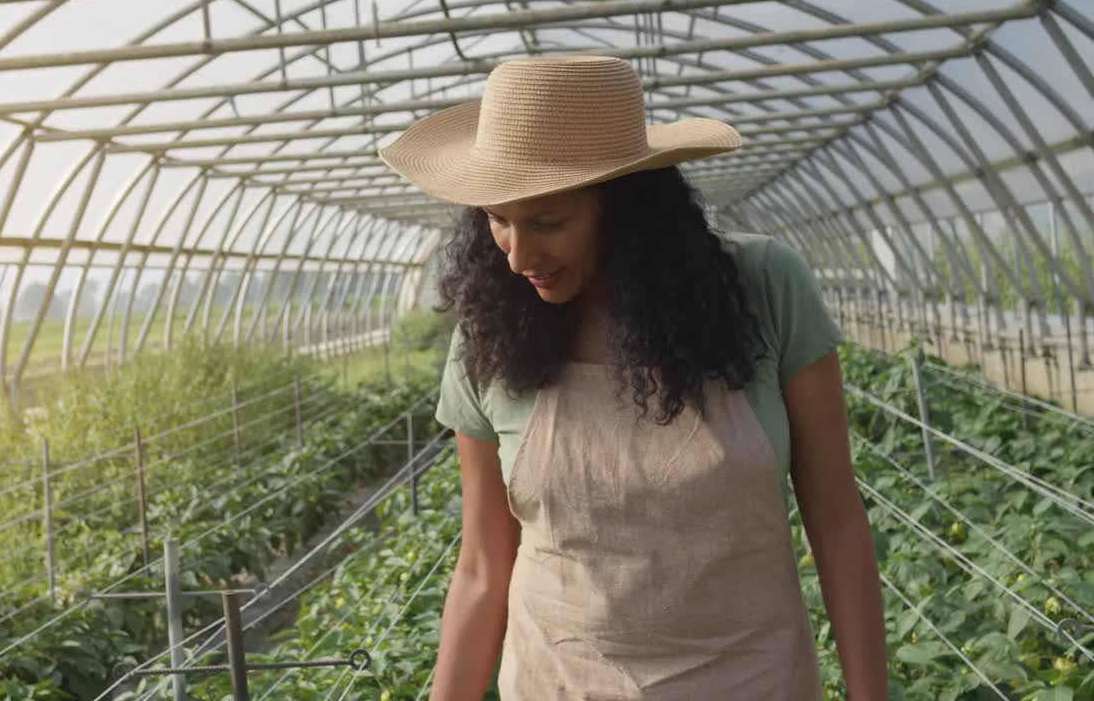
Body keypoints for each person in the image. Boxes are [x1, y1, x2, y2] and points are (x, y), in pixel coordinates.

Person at [378, 55, 888, 700]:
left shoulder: (760, 289)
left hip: (752, 680)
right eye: (497, 219)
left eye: (548, 222)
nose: (517, 255)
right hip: (557, 681)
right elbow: (482, 566)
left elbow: (836, 519)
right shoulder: (491, 333)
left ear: (628, 210)